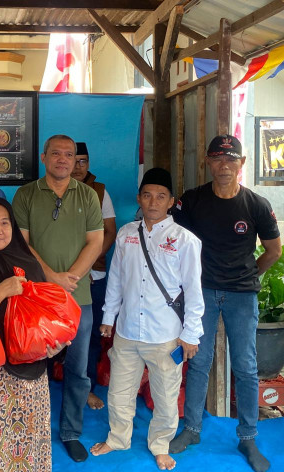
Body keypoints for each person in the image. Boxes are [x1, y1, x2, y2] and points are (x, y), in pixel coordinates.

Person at [170, 135, 281, 472]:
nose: (224, 166)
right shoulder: (192, 201)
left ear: (241, 163)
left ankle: (248, 436)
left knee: (245, 366)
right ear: (208, 162)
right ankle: (192, 429)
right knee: (198, 361)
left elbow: (274, 251)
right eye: (218, 159)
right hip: (201, 292)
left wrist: (249, 276)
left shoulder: (256, 205)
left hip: (241, 295)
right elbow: (176, 243)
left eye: (231, 159)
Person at [90, 168, 204, 471]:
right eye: (147, 195)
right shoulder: (126, 233)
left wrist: (191, 334)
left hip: (165, 334)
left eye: (161, 196)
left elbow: (194, 291)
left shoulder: (184, 240)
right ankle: (118, 438)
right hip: (127, 330)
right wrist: (109, 317)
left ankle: (160, 445)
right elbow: (116, 278)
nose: (153, 202)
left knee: (165, 396)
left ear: (171, 202)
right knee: (119, 391)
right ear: (139, 198)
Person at [12, 134, 104, 463]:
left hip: (79, 298)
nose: (62, 159)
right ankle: (29, 431)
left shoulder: (87, 195)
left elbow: (96, 241)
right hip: (36, 296)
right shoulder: (26, 194)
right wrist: (52, 278)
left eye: (69, 154)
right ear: (43, 157)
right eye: (56, 154)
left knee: (78, 369)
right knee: (31, 366)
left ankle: (70, 432)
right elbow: (21, 244)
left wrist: (70, 280)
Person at [0, 197, 68, 472]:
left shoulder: (29, 263)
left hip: (32, 377)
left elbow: (47, 319)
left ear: (14, 227)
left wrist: (55, 346)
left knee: (29, 445)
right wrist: (2, 291)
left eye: (4, 223)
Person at [72, 141, 117, 410]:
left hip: (93, 276)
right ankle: (50, 385)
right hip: (61, 276)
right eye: (73, 160)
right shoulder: (54, 189)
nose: (78, 167)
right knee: (52, 334)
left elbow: (110, 231)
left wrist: (88, 263)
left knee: (90, 335)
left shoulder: (99, 191)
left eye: (83, 161)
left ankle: (87, 388)